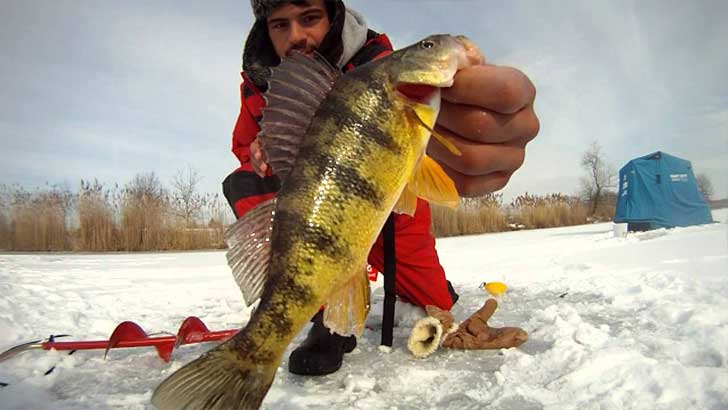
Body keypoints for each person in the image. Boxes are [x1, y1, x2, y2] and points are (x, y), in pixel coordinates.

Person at [222, 0, 539, 376]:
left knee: (437, 302)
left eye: (309, 18)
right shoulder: (260, 82)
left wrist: (458, 140)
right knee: (245, 181)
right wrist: (260, 150)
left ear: (333, 16)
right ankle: (324, 316)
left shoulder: (381, 67)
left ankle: (423, 291)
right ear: (265, 28)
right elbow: (243, 145)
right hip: (311, 217)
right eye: (279, 25)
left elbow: (429, 153)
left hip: (389, 207)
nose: (296, 36)